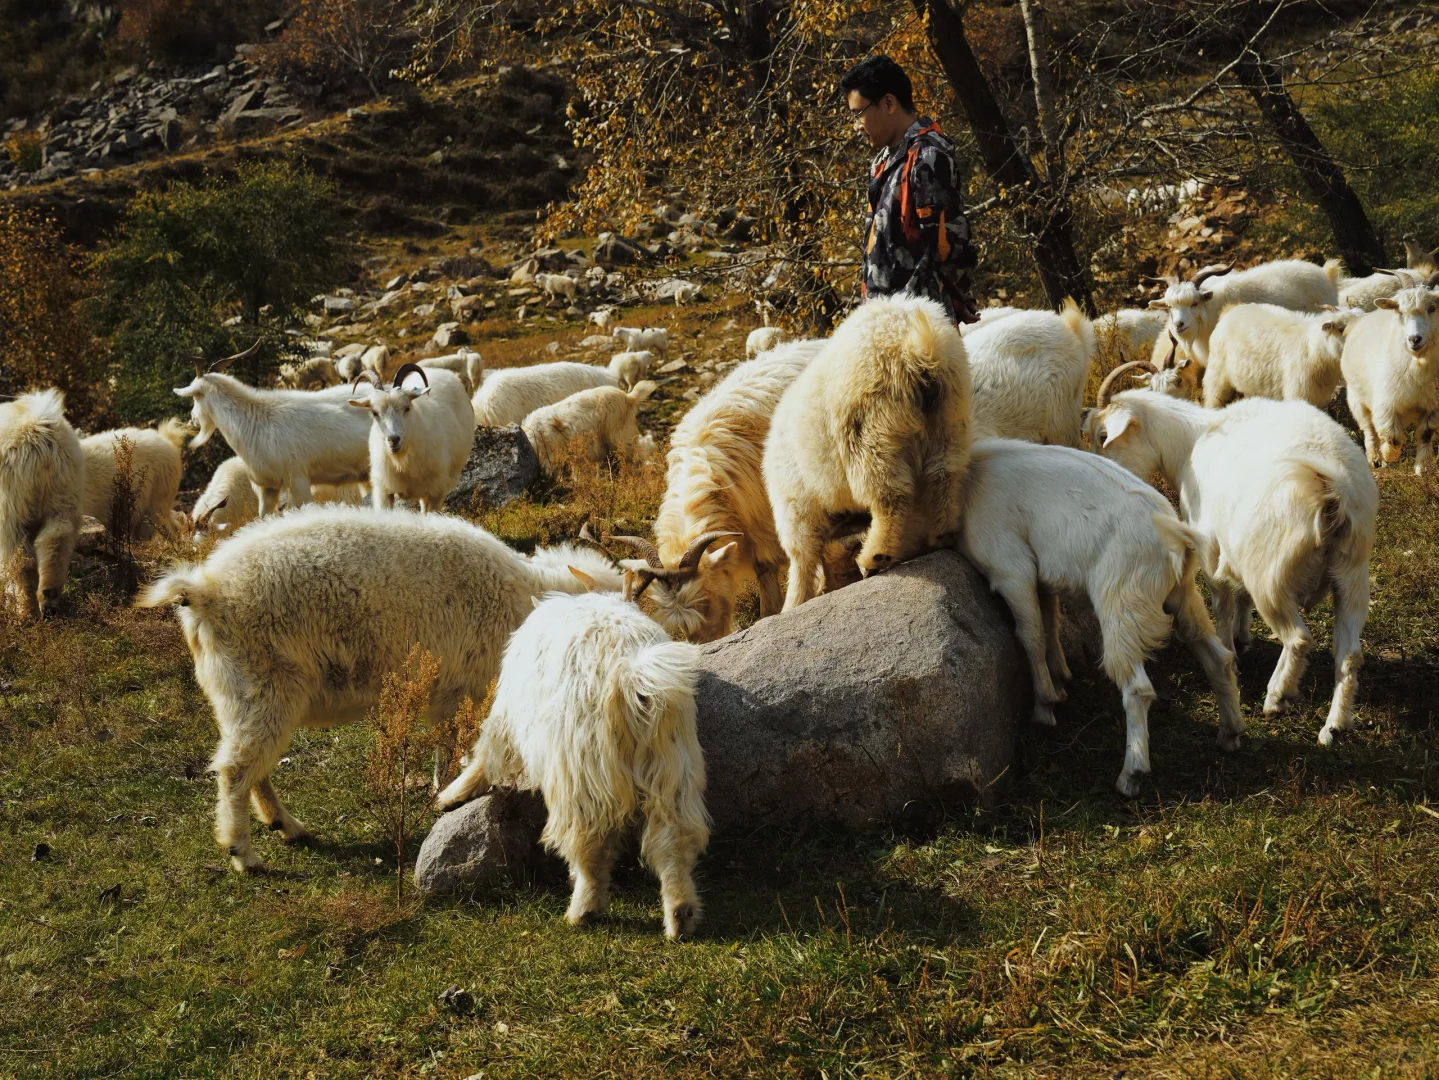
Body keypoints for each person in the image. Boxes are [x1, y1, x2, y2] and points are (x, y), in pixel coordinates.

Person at [841, 55, 979, 324]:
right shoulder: (883, 160)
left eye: (858, 114)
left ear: (889, 103)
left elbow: (948, 245)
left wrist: (958, 296)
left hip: (920, 328)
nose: (856, 126)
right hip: (884, 325)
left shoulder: (928, 156)